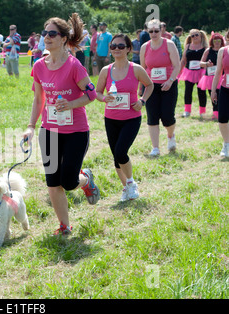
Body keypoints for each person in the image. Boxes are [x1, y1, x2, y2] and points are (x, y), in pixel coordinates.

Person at [23, 13, 100, 236]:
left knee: (68, 181)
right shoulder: (38, 66)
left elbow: (91, 94)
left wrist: (72, 103)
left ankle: (85, 179)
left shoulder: (74, 65)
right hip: (49, 130)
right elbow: (39, 99)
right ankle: (65, 226)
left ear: (64, 38)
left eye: (52, 33)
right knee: (52, 181)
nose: (47, 37)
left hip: (75, 131)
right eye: (45, 33)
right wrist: (30, 125)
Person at [96, 34, 153, 201]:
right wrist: (103, 98)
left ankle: (131, 183)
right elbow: (98, 92)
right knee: (116, 158)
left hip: (131, 118)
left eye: (121, 46)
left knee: (121, 152)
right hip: (111, 118)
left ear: (128, 49)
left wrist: (142, 100)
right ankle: (126, 188)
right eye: (113, 46)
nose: (116, 49)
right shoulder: (106, 70)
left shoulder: (136, 69)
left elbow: (149, 85)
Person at [140, 19, 181, 157]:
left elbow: (177, 66)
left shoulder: (169, 44)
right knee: (152, 117)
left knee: (167, 116)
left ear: (161, 30)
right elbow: (143, 69)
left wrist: (170, 81)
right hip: (151, 86)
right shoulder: (144, 47)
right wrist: (142, 88)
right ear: (147, 32)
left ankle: (170, 135)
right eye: (150, 31)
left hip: (168, 85)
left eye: (156, 31)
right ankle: (155, 148)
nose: (153, 33)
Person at [178, 29, 208, 118]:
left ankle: (202, 112)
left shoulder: (205, 47)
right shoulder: (187, 46)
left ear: (201, 36)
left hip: (201, 72)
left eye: (196, 35)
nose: (195, 37)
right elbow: (183, 60)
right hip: (189, 72)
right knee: (188, 91)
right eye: (192, 36)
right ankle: (187, 111)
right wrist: (178, 73)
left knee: (202, 92)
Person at [198, 32, 225, 120]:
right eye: (215, 40)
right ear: (212, 41)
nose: (217, 42)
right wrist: (206, 64)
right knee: (213, 95)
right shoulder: (208, 50)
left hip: (222, 77)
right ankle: (215, 113)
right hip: (210, 77)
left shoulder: (224, 50)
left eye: (218, 40)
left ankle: (222, 112)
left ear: (221, 41)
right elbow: (201, 63)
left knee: (222, 95)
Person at [211, 44, 229, 157]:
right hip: (225, 88)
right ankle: (226, 144)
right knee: (222, 118)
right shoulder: (223, 51)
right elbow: (218, 71)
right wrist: (213, 91)